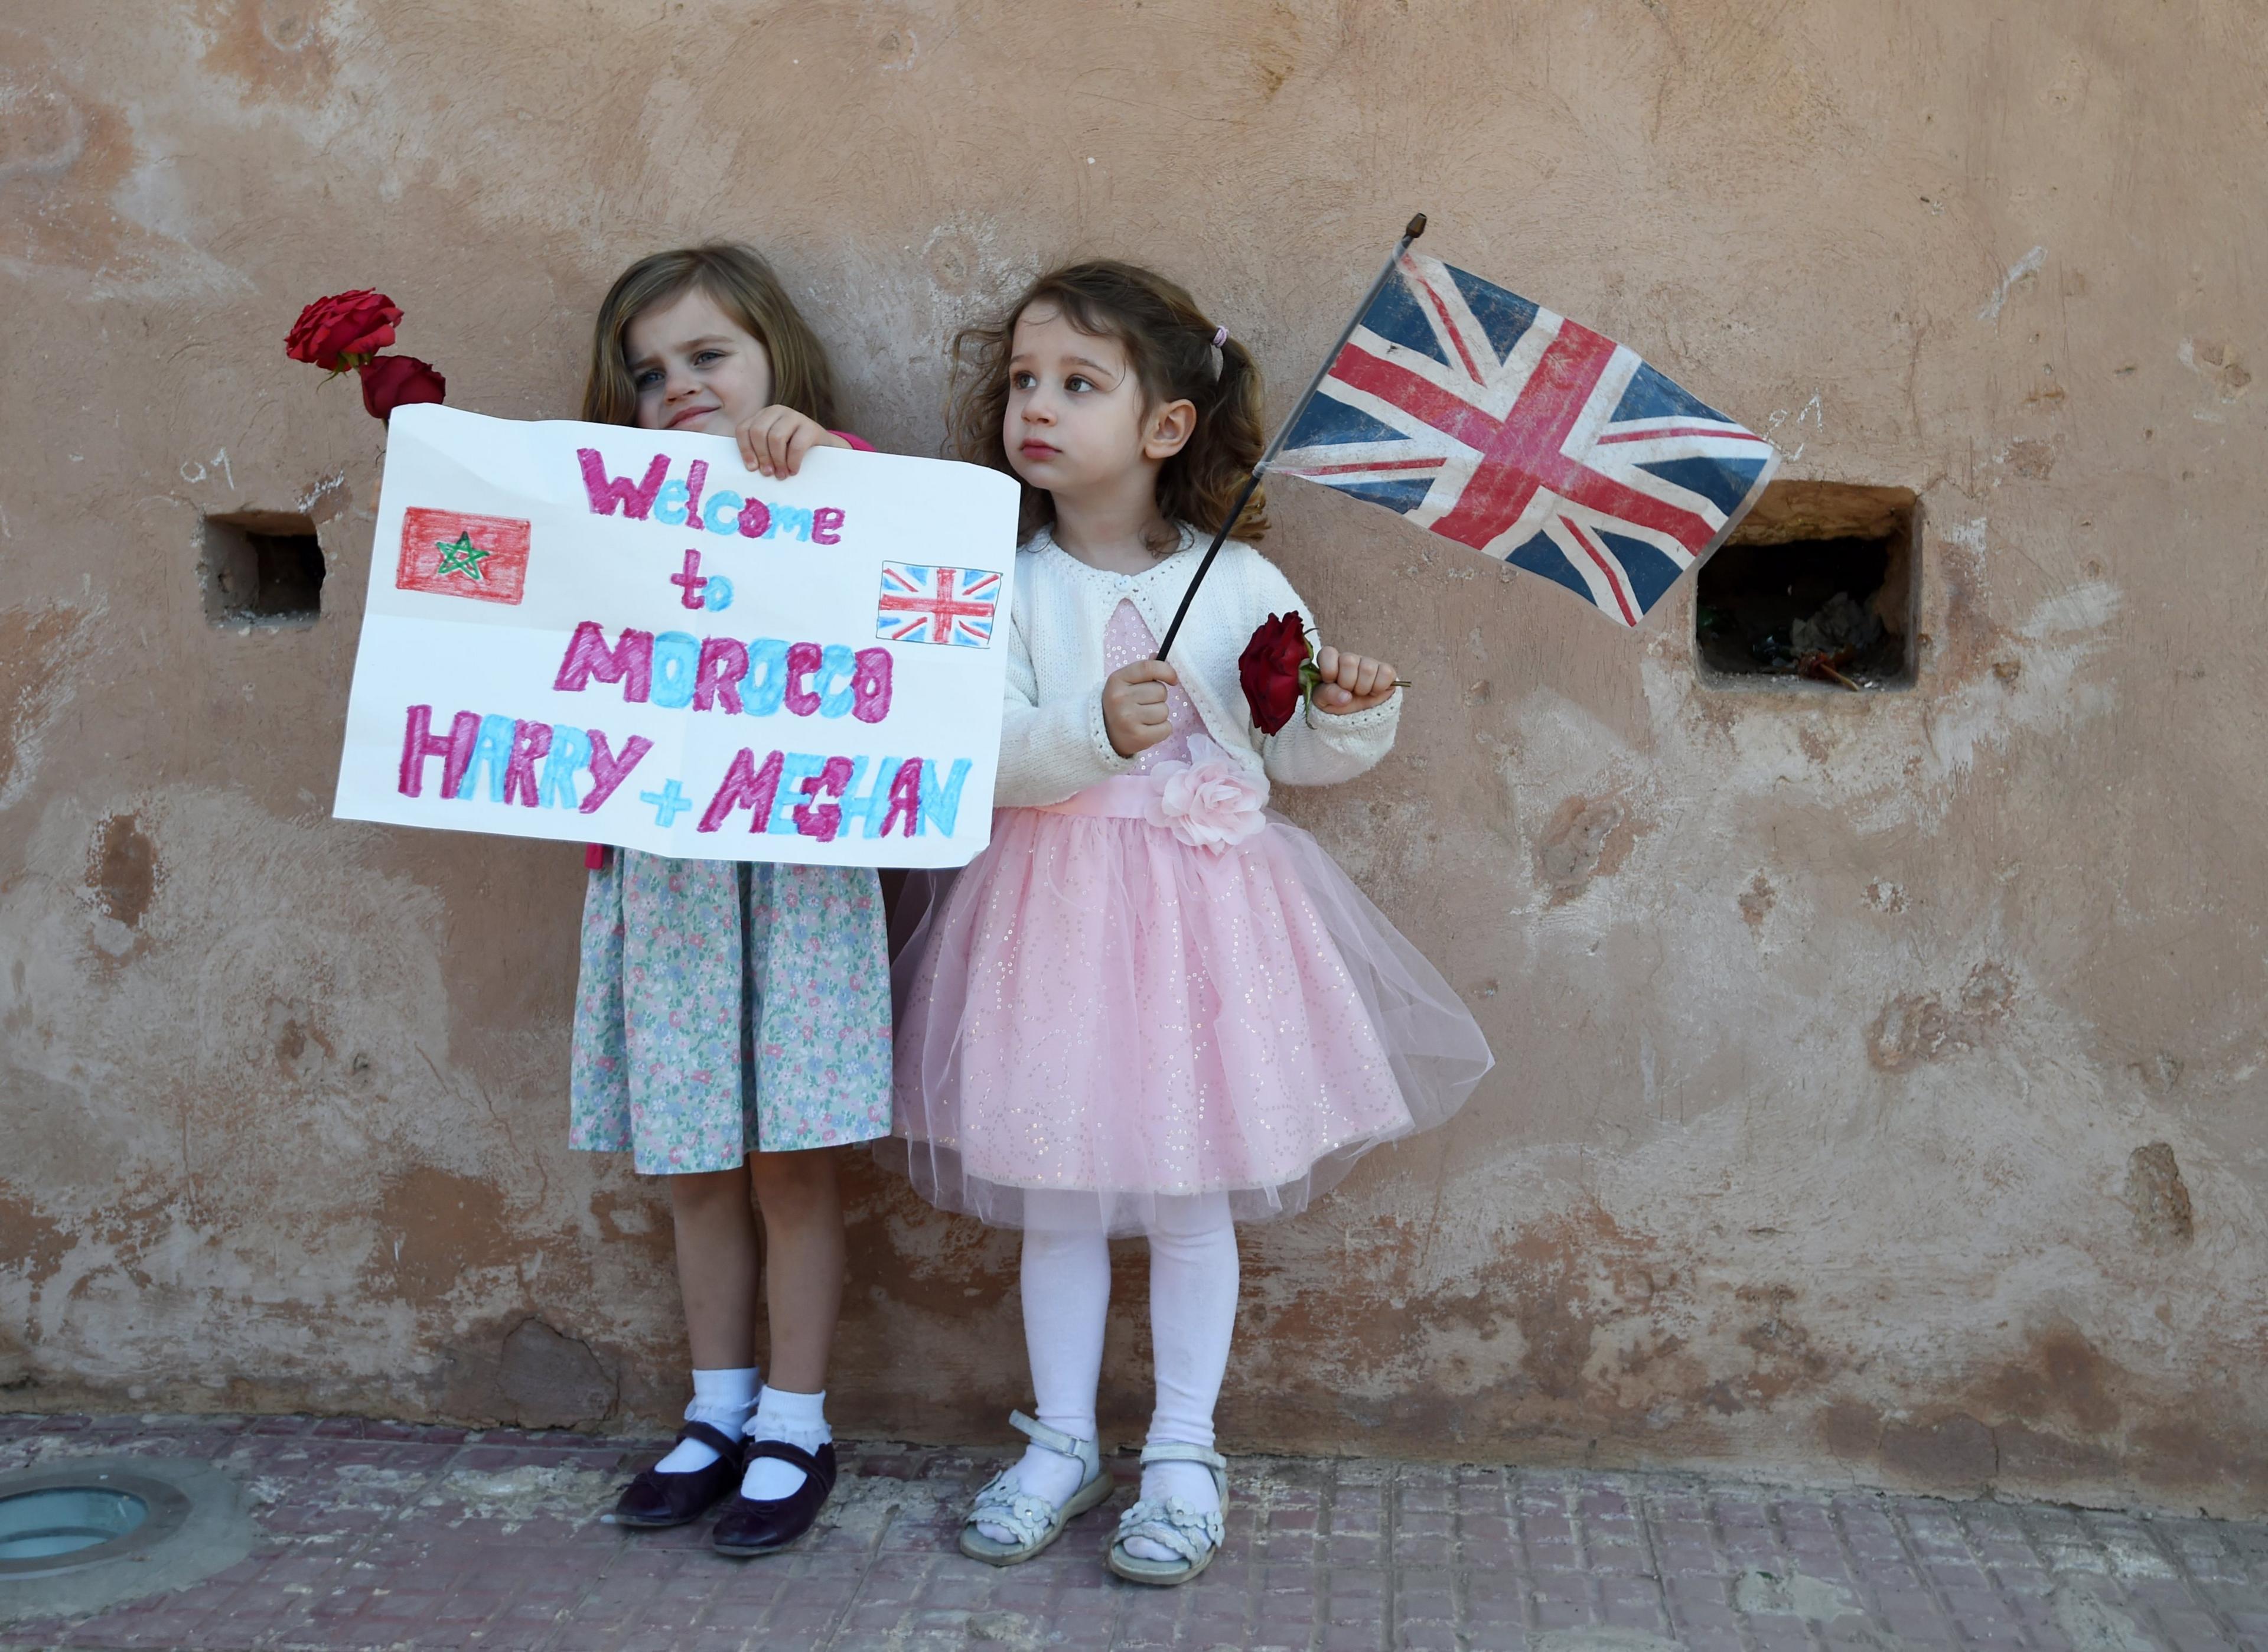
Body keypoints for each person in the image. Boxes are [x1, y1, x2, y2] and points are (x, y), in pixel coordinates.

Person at [884, 260, 1493, 1584]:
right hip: (1051, 915)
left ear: (1166, 428)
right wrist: (1087, 730)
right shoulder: (998, 583)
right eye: (1024, 384)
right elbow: (974, 747)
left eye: (1078, 385)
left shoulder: (1244, 589)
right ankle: (1057, 1440)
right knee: (1056, 1197)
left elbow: (1301, 752)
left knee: (1187, 1197)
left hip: (1209, 927)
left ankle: (1180, 1447)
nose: (1037, 407)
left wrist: (1345, 709)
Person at [569, 243, 889, 1556]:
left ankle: (797, 1422)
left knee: (792, 1161)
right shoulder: (609, 507)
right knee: (695, 1159)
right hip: (668, 874)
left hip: (804, 870)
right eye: (650, 373)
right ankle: (716, 1409)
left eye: (708, 356)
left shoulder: (840, 477)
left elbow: (902, 567)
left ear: (776, 361)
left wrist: (821, 458)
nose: (680, 387)